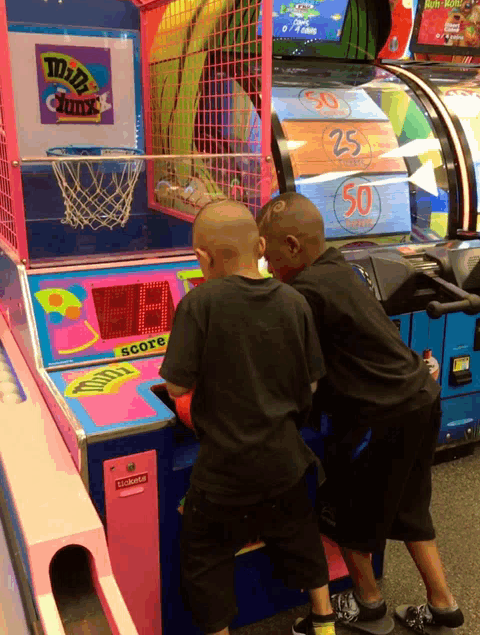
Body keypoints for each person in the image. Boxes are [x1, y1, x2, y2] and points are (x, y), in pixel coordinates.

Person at [257, 192, 465, 635]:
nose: (267, 264)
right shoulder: (340, 268)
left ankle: (369, 605)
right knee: (410, 507)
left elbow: (290, 368)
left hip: (379, 415)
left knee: (344, 511)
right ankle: (443, 606)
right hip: (419, 398)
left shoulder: (302, 292)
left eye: (268, 252)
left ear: (293, 246)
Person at [159, 199, 337, 635]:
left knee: (205, 556)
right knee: (300, 534)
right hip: (285, 463)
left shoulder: (199, 303)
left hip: (225, 474)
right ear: (260, 245)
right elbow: (312, 383)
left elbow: (178, 387)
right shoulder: (295, 301)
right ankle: (324, 619)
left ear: (201, 258)